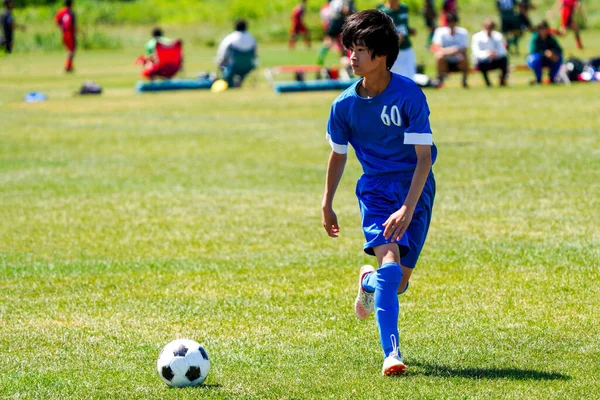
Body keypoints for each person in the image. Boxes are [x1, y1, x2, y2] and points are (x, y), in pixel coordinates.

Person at [322, 9, 436, 376]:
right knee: (390, 265)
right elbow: (338, 155)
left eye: (359, 49)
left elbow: (423, 160)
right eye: (349, 49)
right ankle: (392, 354)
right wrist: (327, 203)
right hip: (375, 191)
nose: (351, 57)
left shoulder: (409, 95)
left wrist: (407, 207)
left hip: (415, 190)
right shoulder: (343, 105)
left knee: (398, 282)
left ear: (382, 54)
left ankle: (367, 282)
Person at [378, 0, 416, 81]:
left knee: (411, 77)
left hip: (407, 47)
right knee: (401, 78)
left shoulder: (404, 8)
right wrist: (394, 39)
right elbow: (380, 33)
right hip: (393, 51)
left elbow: (403, 26)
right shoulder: (382, 12)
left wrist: (409, 30)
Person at [216, 19, 258, 88]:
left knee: (225, 67)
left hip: (234, 66)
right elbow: (255, 54)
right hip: (248, 66)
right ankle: (238, 81)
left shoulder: (231, 38)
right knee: (242, 67)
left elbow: (222, 52)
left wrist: (220, 62)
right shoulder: (251, 38)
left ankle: (230, 84)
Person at [431, 13, 469, 88]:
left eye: (453, 22)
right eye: (450, 22)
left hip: (457, 59)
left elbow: (464, 49)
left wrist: (453, 51)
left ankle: (464, 80)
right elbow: (437, 47)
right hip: (446, 59)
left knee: (464, 58)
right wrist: (452, 50)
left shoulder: (463, 32)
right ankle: (440, 80)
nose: (452, 24)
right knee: (439, 56)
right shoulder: (440, 32)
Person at [316, 0, 356, 66]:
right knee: (341, 45)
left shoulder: (333, 2)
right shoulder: (343, 1)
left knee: (330, 42)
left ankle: (321, 58)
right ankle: (346, 63)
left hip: (334, 22)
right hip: (340, 22)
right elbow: (345, 10)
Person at [471, 18, 508, 87]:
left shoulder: (498, 36)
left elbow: (502, 50)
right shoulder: (477, 37)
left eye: (491, 27)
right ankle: (487, 82)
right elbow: (476, 52)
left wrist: (495, 54)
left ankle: (502, 80)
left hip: (496, 59)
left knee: (504, 59)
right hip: (484, 60)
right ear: (484, 27)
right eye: (488, 27)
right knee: (481, 62)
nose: (489, 29)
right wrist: (488, 54)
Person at [526, 20, 563, 84]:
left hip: (548, 59)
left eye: (544, 29)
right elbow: (533, 51)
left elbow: (559, 49)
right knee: (536, 58)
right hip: (535, 60)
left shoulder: (550, 38)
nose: (543, 31)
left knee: (558, 57)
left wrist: (552, 53)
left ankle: (552, 78)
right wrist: (545, 53)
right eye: (540, 29)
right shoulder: (535, 38)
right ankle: (538, 80)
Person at [54, 0, 76, 72]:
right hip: (70, 33)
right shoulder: (71, 13)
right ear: (71, 4)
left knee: (70, 50)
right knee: (71, 50)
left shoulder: (61, 11)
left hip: (64, 33)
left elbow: (56, 20)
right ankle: (68, 66)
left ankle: (69, 66)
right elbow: (72, 25)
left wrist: (62, 27)